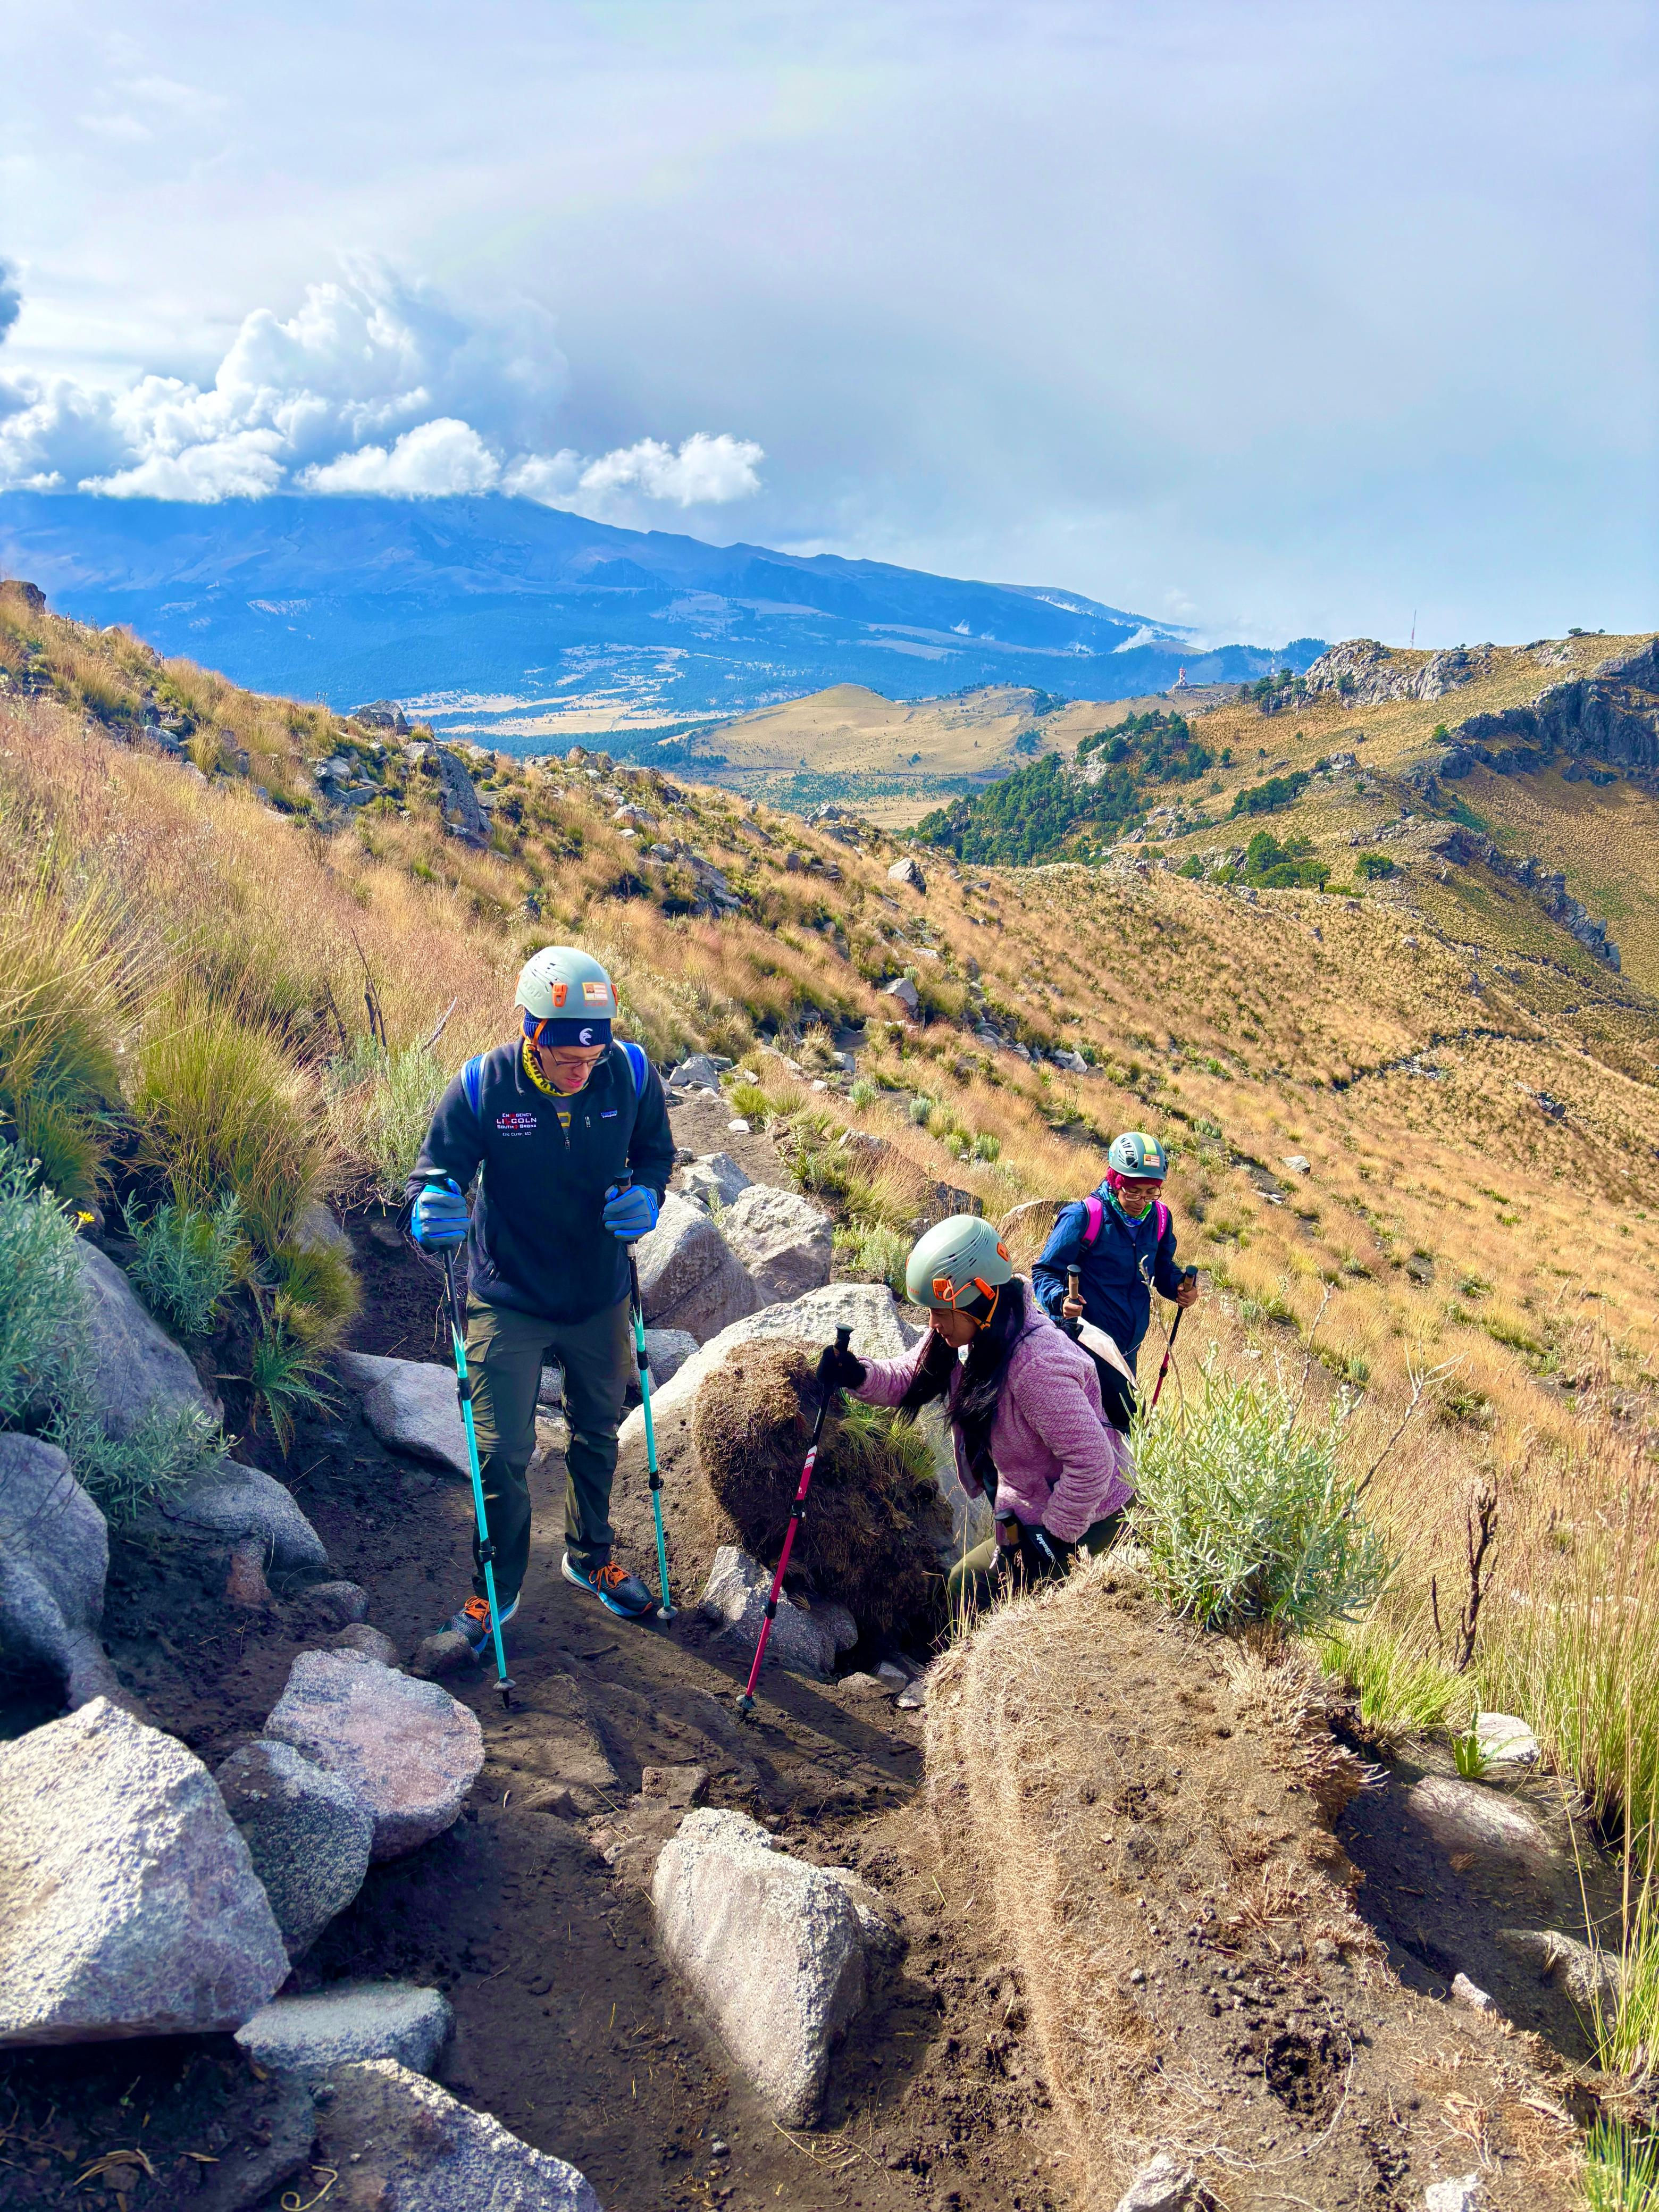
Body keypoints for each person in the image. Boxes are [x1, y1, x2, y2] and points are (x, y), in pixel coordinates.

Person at [408, 946, 674, 1644]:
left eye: (593, 1052)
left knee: (598, 1432)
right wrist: (432, 1204)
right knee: (501, 1451)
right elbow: (436, 1172)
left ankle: (590, 1559)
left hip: (598, 1293)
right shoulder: (483, 1085)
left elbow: (655, 1153)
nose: (581, 1067)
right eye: (564, 1054)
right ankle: (495, 1592)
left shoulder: (631, 1073)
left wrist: (648, 1195)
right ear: (530, 1031)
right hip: (511, 1295)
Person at [817, 1216, 1135, 1611]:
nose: (932, 1323)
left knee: (979, 1592)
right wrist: (856, 1374)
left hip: (1091, 1516)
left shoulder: (1036, 1366)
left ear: (980, 1297)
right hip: (1032, 1503)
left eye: (940, 1311)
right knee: (968, 1586)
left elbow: (1092, 1463)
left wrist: (1052, 1540)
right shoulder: (970, 1335)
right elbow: (909, 1377)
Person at [1030, 1131, 1199, 1430]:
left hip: (1127, 1350)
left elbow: (1161, 1268)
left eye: (1151, 1192)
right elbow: (1044, 1272)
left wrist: (1178, 1287)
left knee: (1122, 1433)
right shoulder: (1084, 1217)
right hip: (1084, 1346)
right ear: (1116, 1181)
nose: (1142, 1201)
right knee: (1092, 1430)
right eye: (1133, 1191)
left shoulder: (1160, 1219)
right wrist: (1061, 1300)